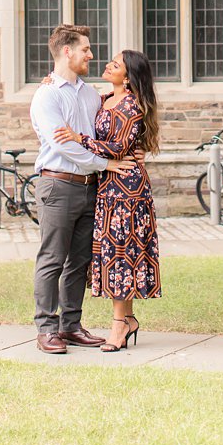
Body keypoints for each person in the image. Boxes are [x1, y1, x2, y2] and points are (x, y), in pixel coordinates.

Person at [27, 23, 136, 354]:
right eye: (85, 49)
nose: (91, 54)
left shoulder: (91, 95)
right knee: (52, 259)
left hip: (91, 189)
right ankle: (47, 328)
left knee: (79, 261)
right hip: (58, 186)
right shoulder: (47, 95)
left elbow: (112, 127)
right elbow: (65, 147)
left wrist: (135, 149)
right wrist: (106, 165)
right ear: (67, 51)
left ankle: (71, 326)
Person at [54, 49, 162, 350]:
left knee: (120, 253)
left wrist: (79, 139)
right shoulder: (104, 100)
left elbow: (116, 147)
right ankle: (127, 320)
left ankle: (117, 326)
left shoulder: (130, 106)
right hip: (108, 185)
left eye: (116, 64)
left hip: (127, 189)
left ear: (127, 77)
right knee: (115, 249)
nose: (107, 64)